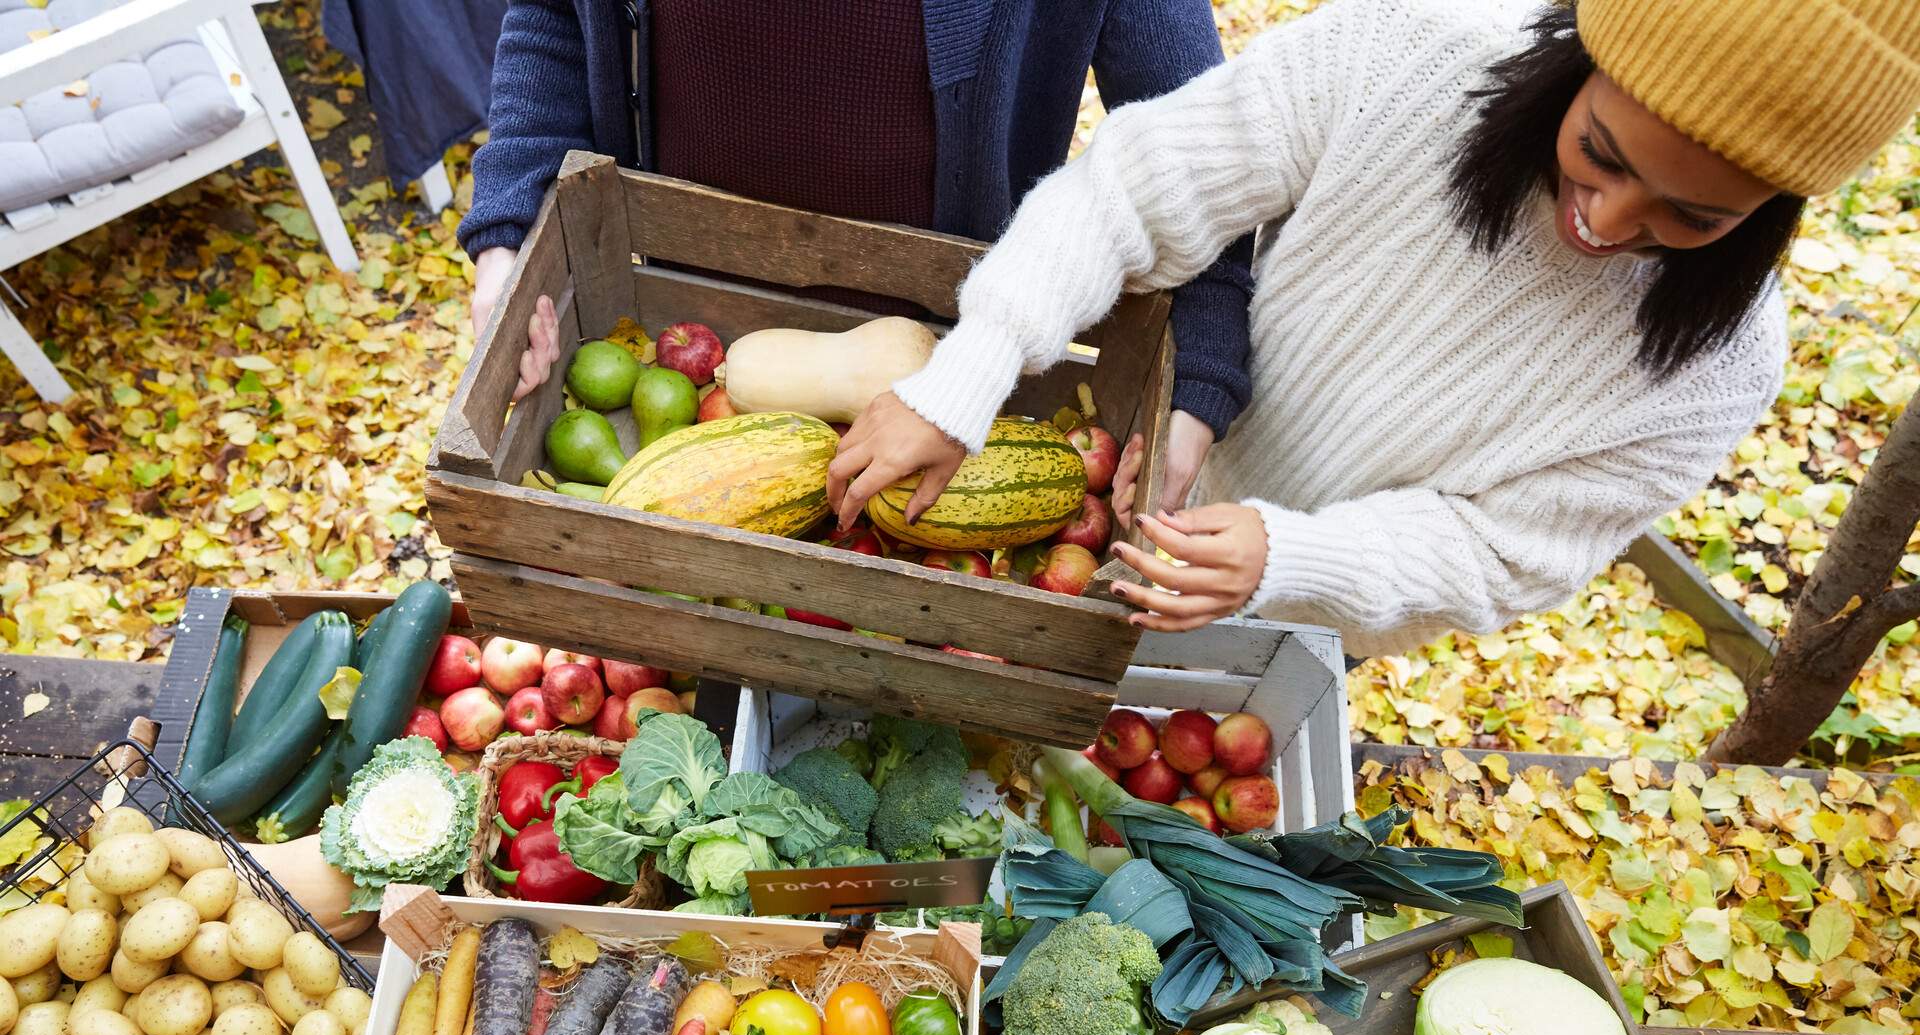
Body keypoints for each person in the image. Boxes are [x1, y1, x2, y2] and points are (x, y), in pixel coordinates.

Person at [827, 0, 1920, 652]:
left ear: (1773, 213)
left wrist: (1291, 557)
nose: (1608, 221)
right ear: (1581, 60)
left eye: (1695, 218)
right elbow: (1130, 191)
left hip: (1296, 612)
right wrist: (965, 377)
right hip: (1122, 484)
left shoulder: (1720, 370)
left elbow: (1504, 554)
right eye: (1603, 154)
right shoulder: (1416, 50)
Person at [459, 1, 1256, 514]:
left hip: (950, 391)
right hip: (674, 358)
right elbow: (556, 20)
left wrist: (1199, 380)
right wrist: (509, 236)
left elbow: (1200, 145)